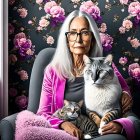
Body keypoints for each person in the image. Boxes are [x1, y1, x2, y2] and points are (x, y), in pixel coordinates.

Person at [37, 10, 136, 140]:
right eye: (72, 33)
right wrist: (63, 124)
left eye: (84, 33)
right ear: (66, 39)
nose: (78, 39)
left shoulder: (104, 66)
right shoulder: (53, 71)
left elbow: (125, 98)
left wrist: (120, 124)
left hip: (101, 132)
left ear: (92, 38)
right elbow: (42, 113)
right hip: (66, 134)